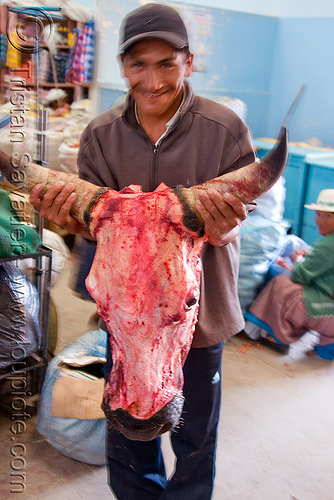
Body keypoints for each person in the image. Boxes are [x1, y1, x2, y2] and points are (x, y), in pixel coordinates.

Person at [29, 4, 257, 498]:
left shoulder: (224, 129)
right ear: (122, 67)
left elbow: (245, 212)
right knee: (127, 423)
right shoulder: (100, 134)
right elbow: (92, 227)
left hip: (197, 310)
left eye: (166, 64)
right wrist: (67, 217)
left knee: (195, 432)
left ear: (189, 63)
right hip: (128, 318)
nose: (152, 81)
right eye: (138, 65)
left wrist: (225, 225)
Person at [244, 189, 334, 360]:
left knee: (283, 284)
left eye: (328, 216)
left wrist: (298, 258)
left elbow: (300, 275)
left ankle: (278, 337)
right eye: (318, 214)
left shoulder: (328, 245)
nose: (320, 220)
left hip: (328, 314)